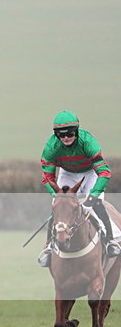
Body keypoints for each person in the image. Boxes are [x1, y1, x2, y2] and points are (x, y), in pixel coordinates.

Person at [38, 110, 121, 267]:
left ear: (76, 131)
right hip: (67, 174)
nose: (66, 138)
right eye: (61, 135)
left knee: (96, 205)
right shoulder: (51, 147)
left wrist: (93, 196)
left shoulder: (87, 141)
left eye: (70, 133)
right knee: (59, 207)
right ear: (56, 135)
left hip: (90, 173)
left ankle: (110, 241)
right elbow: (47, 177)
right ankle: (49, 246)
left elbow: (104, 172)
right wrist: (56, 196)